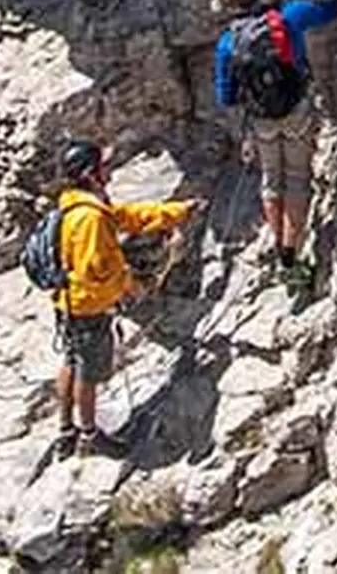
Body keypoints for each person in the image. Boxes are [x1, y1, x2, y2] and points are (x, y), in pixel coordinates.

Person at [41, 139, 196, 457]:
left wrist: (175, 212)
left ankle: (66, 430)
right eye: (102, 166)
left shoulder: (76, 204)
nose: (108, 170)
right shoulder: (91, 217)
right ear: (91, 174)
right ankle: (89, 434)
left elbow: (127, 217)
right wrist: (131, 285)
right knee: (89, 370)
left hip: (68, 303)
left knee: (72, 361)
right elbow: (96, 270)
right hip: (88, 308)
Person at [210, 0, 337, 288]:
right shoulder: (289, 17)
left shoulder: (228, 43)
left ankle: (282, 253)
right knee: (297, 179)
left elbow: (224, 96)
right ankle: (290, 252)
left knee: (272, 180)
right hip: (296, 111)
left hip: (261, 121)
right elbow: (330, 10)